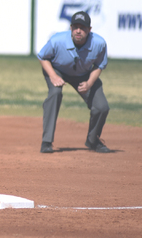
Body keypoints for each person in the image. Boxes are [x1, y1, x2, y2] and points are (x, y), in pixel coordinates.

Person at [37, 11, 110, 154]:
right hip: (57, 70)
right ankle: (46, 142)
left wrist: (89, 83)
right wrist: (53, 76)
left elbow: (99, 65)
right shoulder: (57, 40)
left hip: (84, 75)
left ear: (89, 30)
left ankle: (93, 140)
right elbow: (42, 57)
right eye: (75, 26)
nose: (78, 30)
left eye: (82, 27)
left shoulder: (99, 43)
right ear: (70, 28)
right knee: (55, 93)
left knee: (101, 107)